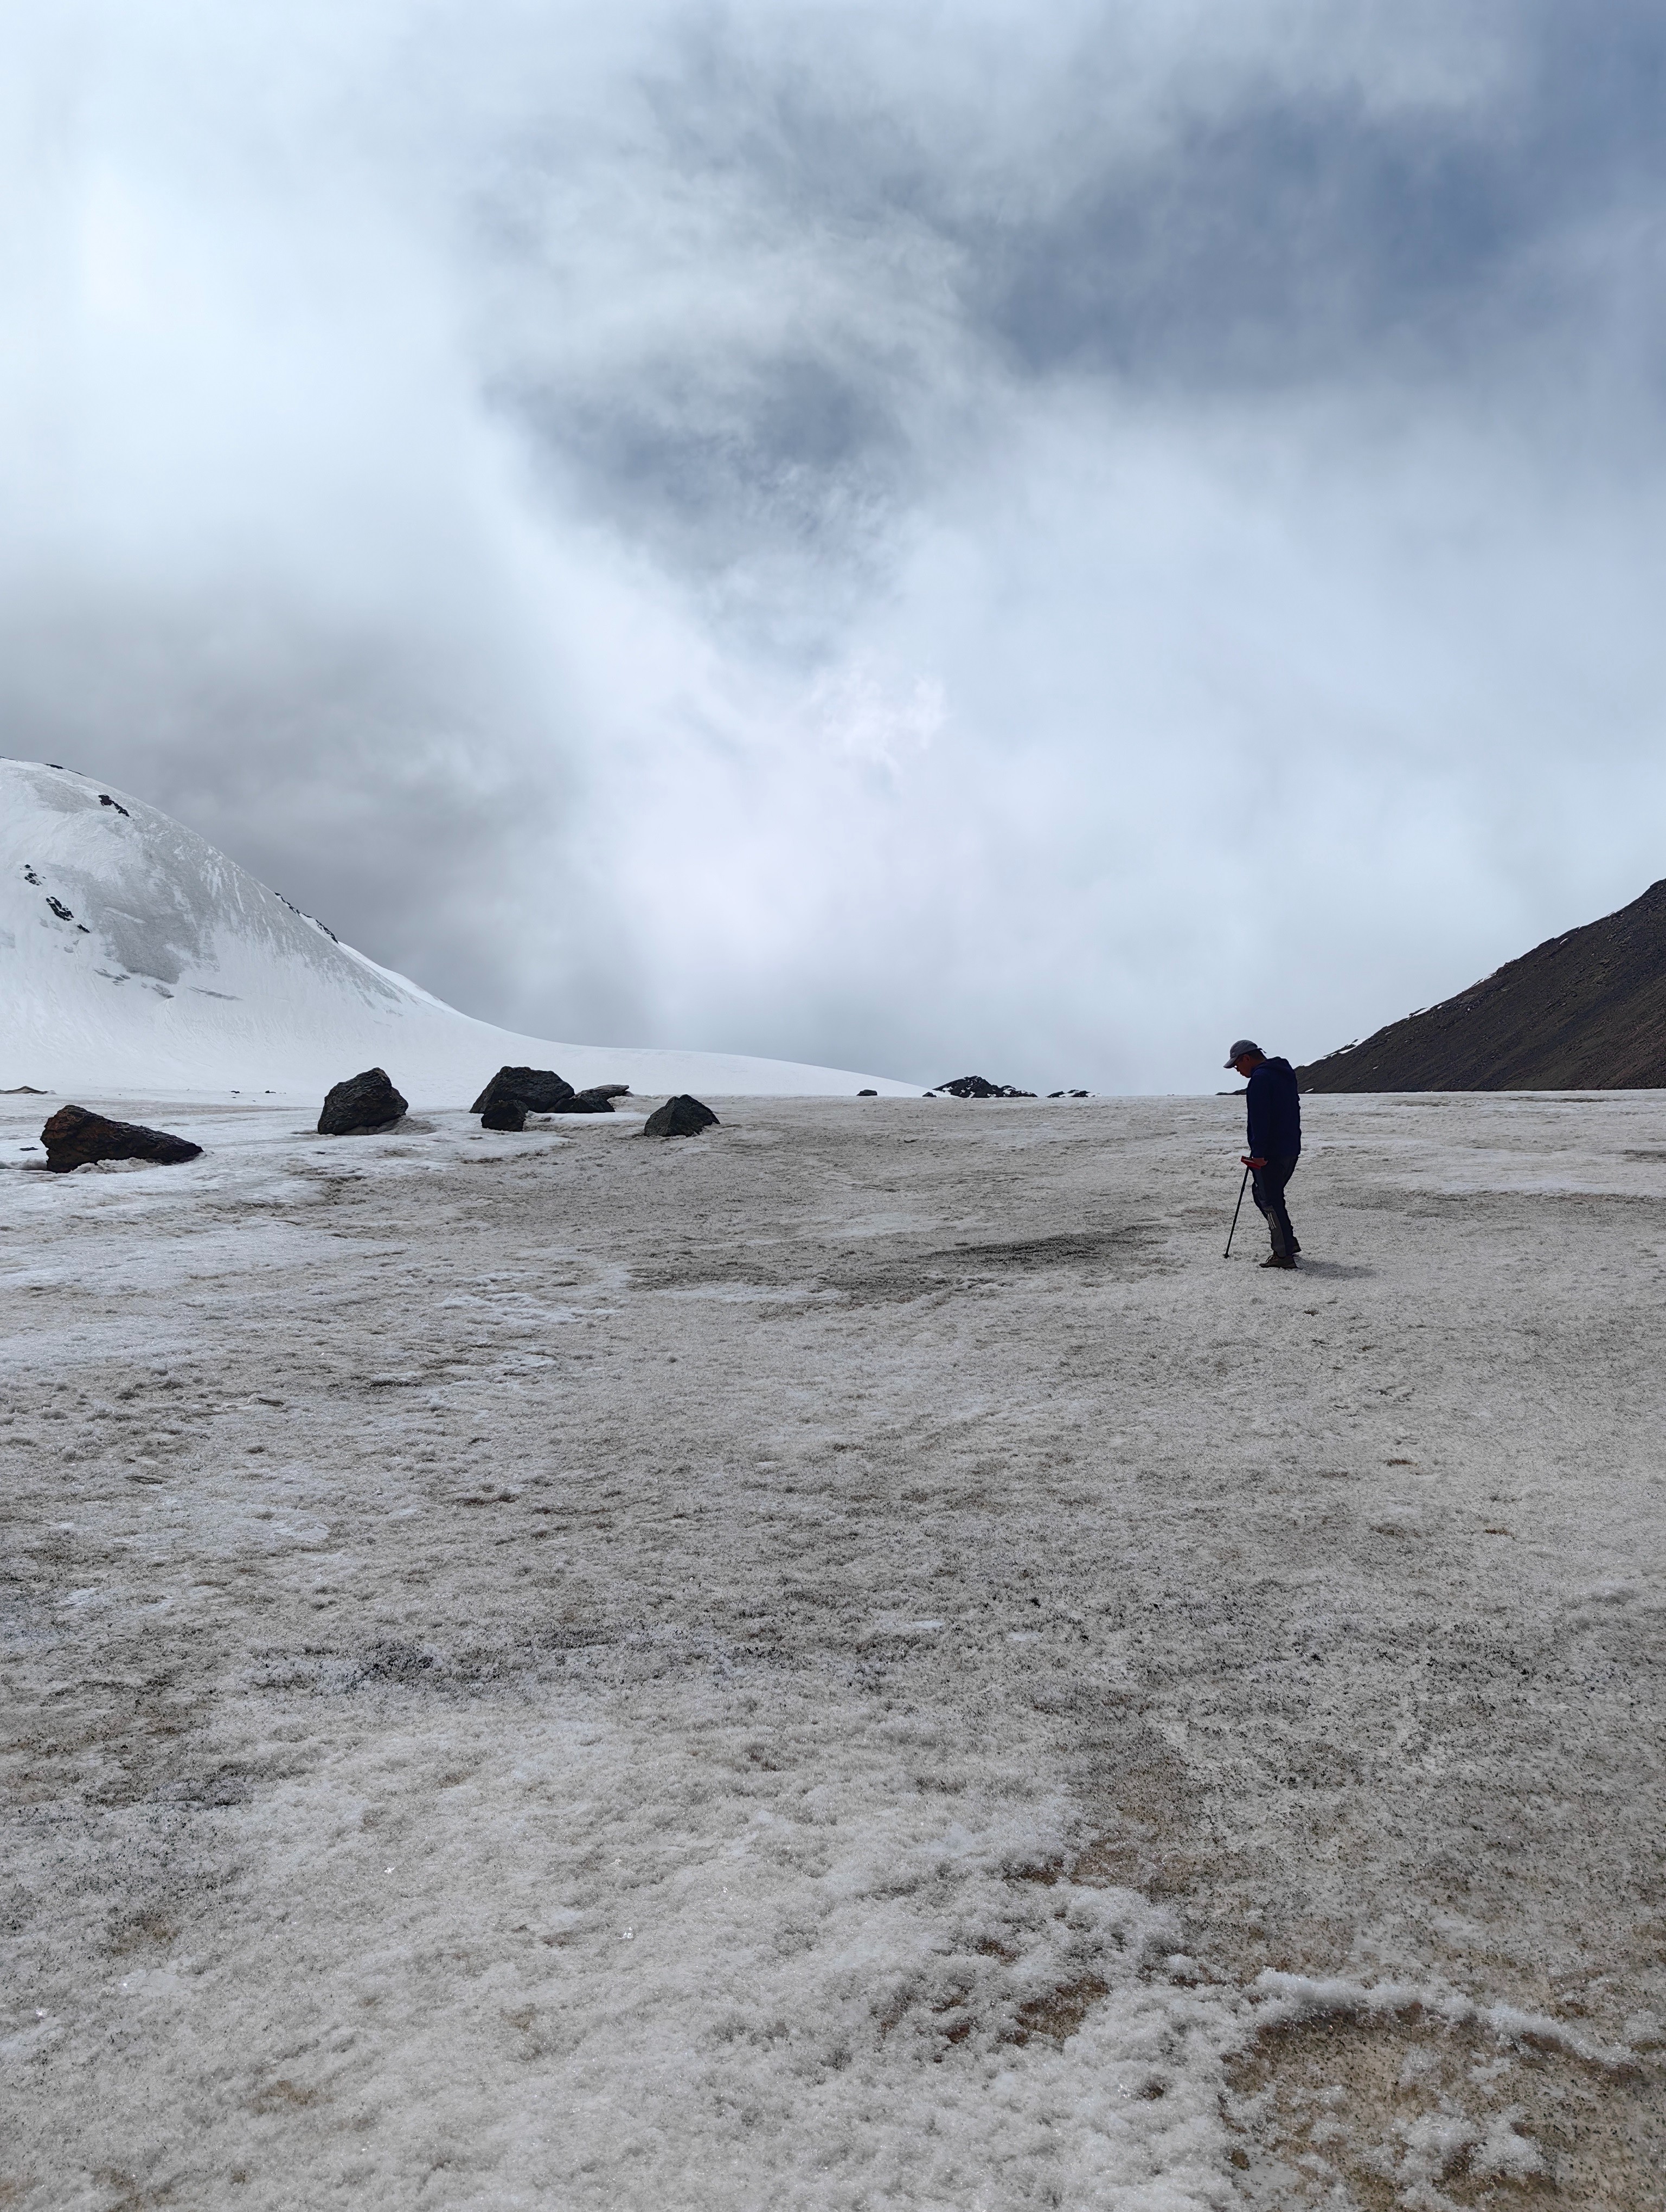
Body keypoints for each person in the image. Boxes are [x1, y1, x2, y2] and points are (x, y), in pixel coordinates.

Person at [1225, 1039, 1302, 1269]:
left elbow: (1260, 1119)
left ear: (1246, 1058)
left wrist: (1258, 1153)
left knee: (1267, 1198)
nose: (1238, 1070)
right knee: (1271, 1196)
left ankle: (1283, 1253)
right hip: (1290, 1148)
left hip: (1271, 1152)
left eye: (1237, 1065)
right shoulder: (1284, 1074)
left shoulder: (1260, 1080)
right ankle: (1289, 1243)